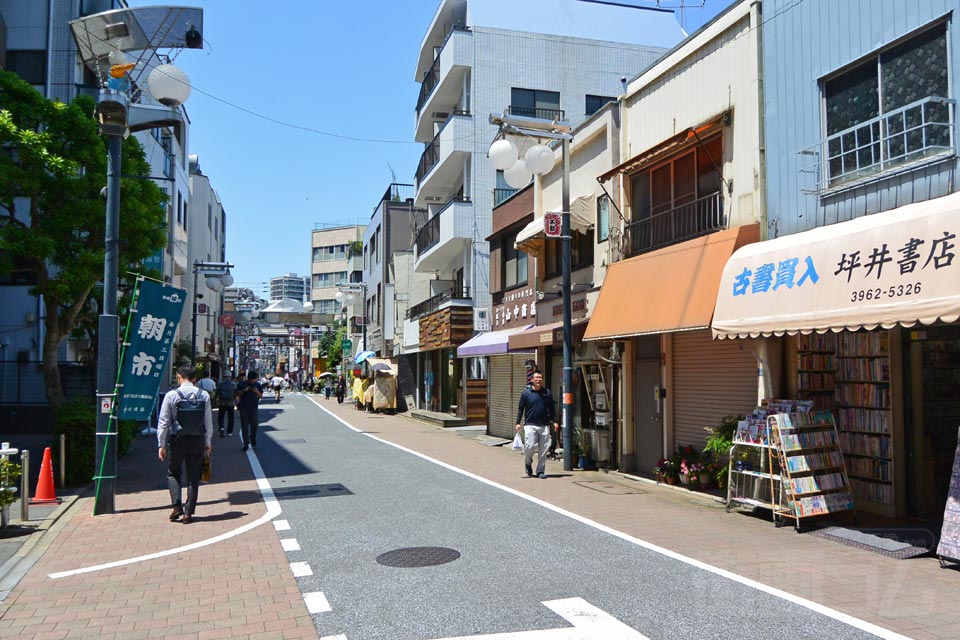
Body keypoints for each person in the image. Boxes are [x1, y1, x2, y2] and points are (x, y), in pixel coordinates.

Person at [157, 364, 213, 524]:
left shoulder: (172, 395)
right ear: (195, 379)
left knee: (173, 472)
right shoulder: (204, 395)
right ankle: (188, 513)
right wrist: (208, 441)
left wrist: (161, 444)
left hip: (177, 440)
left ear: (179, 377)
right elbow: (208, 421)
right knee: (193, 476)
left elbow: (163, 421)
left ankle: (176, 505)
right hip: (197, 440)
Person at [515, 370, 557, 479]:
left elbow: (552, 408)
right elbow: (521, 408)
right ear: (532, 380)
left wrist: (555, 421)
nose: (538, 379)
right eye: (536, 377)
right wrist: (518, 422)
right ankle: (528, 462)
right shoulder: (526, 393)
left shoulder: (546, 393)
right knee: (530, 446)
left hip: (544, 425)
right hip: (530, 424)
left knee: (544, 449)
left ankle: (540, 471)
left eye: (540, 377)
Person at [236, 370, 263, 451]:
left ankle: (253, 437)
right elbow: (237, 394)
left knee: (254, 425)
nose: (253, 381)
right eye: (251, 380)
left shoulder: (257, 385)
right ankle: (246, 443)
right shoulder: (242, 384)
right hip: (244, 407)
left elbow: (261, 396)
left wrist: (256, 391)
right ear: (248, 379)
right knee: (244, 425)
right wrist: (244, 390)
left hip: (254, 407)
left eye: (254, 380)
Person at [215, 372, 237, 438]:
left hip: (222, 402)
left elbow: (217, 392)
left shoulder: (220, 383)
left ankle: (221, 427)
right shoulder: (233, 384)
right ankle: (229, 432)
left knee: (221, 416)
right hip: (231, 403)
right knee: (231, 417)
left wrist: (215, 400)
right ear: (230, 376)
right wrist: (236, 402)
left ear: (224, 376)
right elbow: (235, 393)